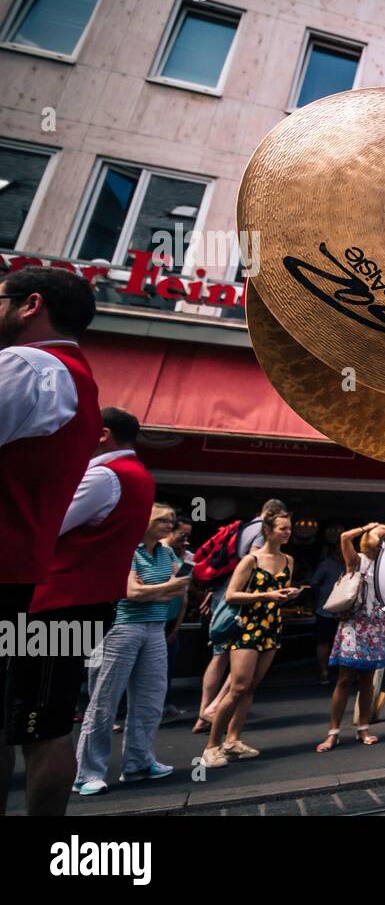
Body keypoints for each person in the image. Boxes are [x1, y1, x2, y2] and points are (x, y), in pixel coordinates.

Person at [8, 407, 153, 811]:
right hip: (78, 607)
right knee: (30, 719)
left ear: (103, 434)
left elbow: (42, 526)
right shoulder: (135, 476)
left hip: (57, 608)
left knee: (41, 727)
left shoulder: (105, 475)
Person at [0, 267, 102, 815]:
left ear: (29, 304)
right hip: (32, 583)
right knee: (37, 727)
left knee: (37, 727)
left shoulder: (25, 363)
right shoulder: (76, 377)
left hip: (43, 593)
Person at [72, 502, 189, 795]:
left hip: (155, 628)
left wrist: (154, 591)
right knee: (103, 702)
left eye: (171, 521)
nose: (169, 525)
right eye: (163, 520)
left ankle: (138, 763)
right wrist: (160, 590)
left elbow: (180, 589)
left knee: (150, 700)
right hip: (120, 629)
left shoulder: (166, 554)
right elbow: (130, 593)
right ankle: (87, 774)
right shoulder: (124, 549)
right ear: (144, 520)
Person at [202, 510, 298, 767]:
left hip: (271, 626)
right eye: (283, 528)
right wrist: (267, 596)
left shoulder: (288, 560)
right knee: (238, 687)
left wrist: (287, 595)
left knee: (251, 687)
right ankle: (211, 745)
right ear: (268, 531)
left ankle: (233, 740)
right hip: (248, 626)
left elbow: (279, 591)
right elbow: (231, 595)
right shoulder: (251, 560)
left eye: (289, 528)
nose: (288, 532)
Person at [193, 498, 286, 735]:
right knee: (241, 676)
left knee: (219, 655)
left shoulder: (240, 528)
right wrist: (272, 593)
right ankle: (215, 713)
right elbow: (255, 569)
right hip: (245, 610)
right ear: (270, 520)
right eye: (283, 526)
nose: (287, 532)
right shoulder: (259, 537)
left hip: (224, 596)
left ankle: (204, 713)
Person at [315, 523, 385, 755]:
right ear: (369, 538)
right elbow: (344, 536)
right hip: (354, 624)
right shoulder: (356, 560)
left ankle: (363, 727)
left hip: (375, 625)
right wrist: (368, 527)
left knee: (367, 681)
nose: (384, 539)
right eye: (381, 535)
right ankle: (333, 732)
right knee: (344, 679)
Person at [162, 519, 193, 720]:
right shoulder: (160, 553)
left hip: (171, 620)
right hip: (155, 620)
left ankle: (164, 704)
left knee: (167, 667)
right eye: (183, 535)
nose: (186, 541)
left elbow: (183, 596)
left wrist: (176, 627)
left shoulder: (179, 555)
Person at [309, 528, 345, 685]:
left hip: (344, 611)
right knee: (323, 641)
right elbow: (314, 583)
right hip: (325, 611)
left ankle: (344, 673)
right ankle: (324, 671)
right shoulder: (327, 564)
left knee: (345, 643)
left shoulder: (351, 563)